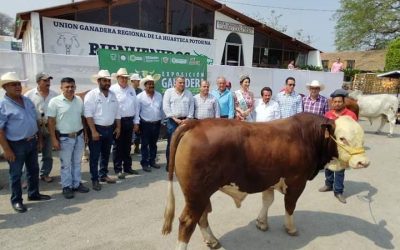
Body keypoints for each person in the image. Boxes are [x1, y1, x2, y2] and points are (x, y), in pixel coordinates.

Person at [0, 72, 51, 213]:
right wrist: (7, 149)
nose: (17, 87)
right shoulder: (3, 105)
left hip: (32, 141)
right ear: (5, 87)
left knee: (33, 170)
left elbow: (35, 121)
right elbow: (0, 130)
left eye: (18, 84)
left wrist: (39, 139)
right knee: (16, 174)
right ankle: (16, 200)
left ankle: (33, 194)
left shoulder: (27, 100)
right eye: (13, 84)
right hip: (15, 145)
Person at [47, 77, 90, 199]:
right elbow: (51, 122)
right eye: (67, 87)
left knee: (77, 162)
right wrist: (54, 139)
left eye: (72, 86)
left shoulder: (79, 100)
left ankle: (76, 183)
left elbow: (82, 118)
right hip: (64, 138)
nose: (70, 89)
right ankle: (66, 186)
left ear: (75, 87)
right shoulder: (54, 102)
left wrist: (85, 133)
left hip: (79, 136)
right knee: (65, 164)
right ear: (61, 88)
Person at [319, 89, 357, 204]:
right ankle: (328, 184)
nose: (337, 104)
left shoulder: (351, 115)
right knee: (328, 166)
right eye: (334, 102)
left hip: (343, 147)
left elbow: (355, 131)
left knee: (340, 169)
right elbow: (325, 131)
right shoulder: (328, 114)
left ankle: (338, 191)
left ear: (344, 102)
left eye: (339, 101)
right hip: (329, 146)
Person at [84, 70, 121, 191]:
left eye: (108, 81)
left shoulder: (113, 95)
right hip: (97, 128)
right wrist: (93, 131)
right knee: (94, 156)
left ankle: (103, 175)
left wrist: (118, 126)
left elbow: (117, 112)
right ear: (99, 81)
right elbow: (88, 115)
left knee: (106, 154)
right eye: (104, 80)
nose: (107, 83)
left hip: (109, 129)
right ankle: (94, 180)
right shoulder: (92, 95)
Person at [24, 72, 58, 183]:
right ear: (38, 81)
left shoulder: (54, 95)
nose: (48, 82)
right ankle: (26, 178)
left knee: (47, 153)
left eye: (49, 80)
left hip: (49, 127)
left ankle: (45, 173)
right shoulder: (29, 95)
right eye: (45, 80)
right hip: (34, 127)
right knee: (30, 154)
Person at [110, 68, 139, 179]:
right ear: (117, 78)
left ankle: (128, 167)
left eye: (125, 77)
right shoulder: (113, 90)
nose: (124, 79)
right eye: (122, 77)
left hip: (129, 121)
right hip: (118, 121)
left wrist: (136, 122)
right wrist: (117, 125)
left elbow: (136, 106)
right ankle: (118, 169)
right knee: (118, 146)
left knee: (127, 145)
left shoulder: (131, 89)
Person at [163, 76, 194, 171]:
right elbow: (166, 107)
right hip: (172, 121)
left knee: (185, 143)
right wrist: (174, 118)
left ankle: (183, 165)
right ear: (175, 83)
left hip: (185, 121)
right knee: (172, 143)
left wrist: (188, 118)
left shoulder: (188, 93)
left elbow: (191, 106)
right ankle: (170, 164)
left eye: (184, 83)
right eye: (180, 82)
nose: (182, 84)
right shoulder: (169, 92)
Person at [137, 75, 163, 172]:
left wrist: (162, 121)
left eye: (152, 84)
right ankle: (144, 163)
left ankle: (152, 161)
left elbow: (161, 109)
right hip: (145, 124)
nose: (151, 85)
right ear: (145, 85)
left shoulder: (159, 95)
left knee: (153, 144)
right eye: (149, 84)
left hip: (156, 123)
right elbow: (137, 112)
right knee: (144, 144)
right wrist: (137, 124)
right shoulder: (139, 97)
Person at [130, 73, 142, 154]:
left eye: (139, 81)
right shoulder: (128, 90)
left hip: (138, 115)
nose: (138, 82)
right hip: (129, 115)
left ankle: (136, 147)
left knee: (137, 132)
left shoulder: (140, 91)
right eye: (137, 81)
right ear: (132, 81)